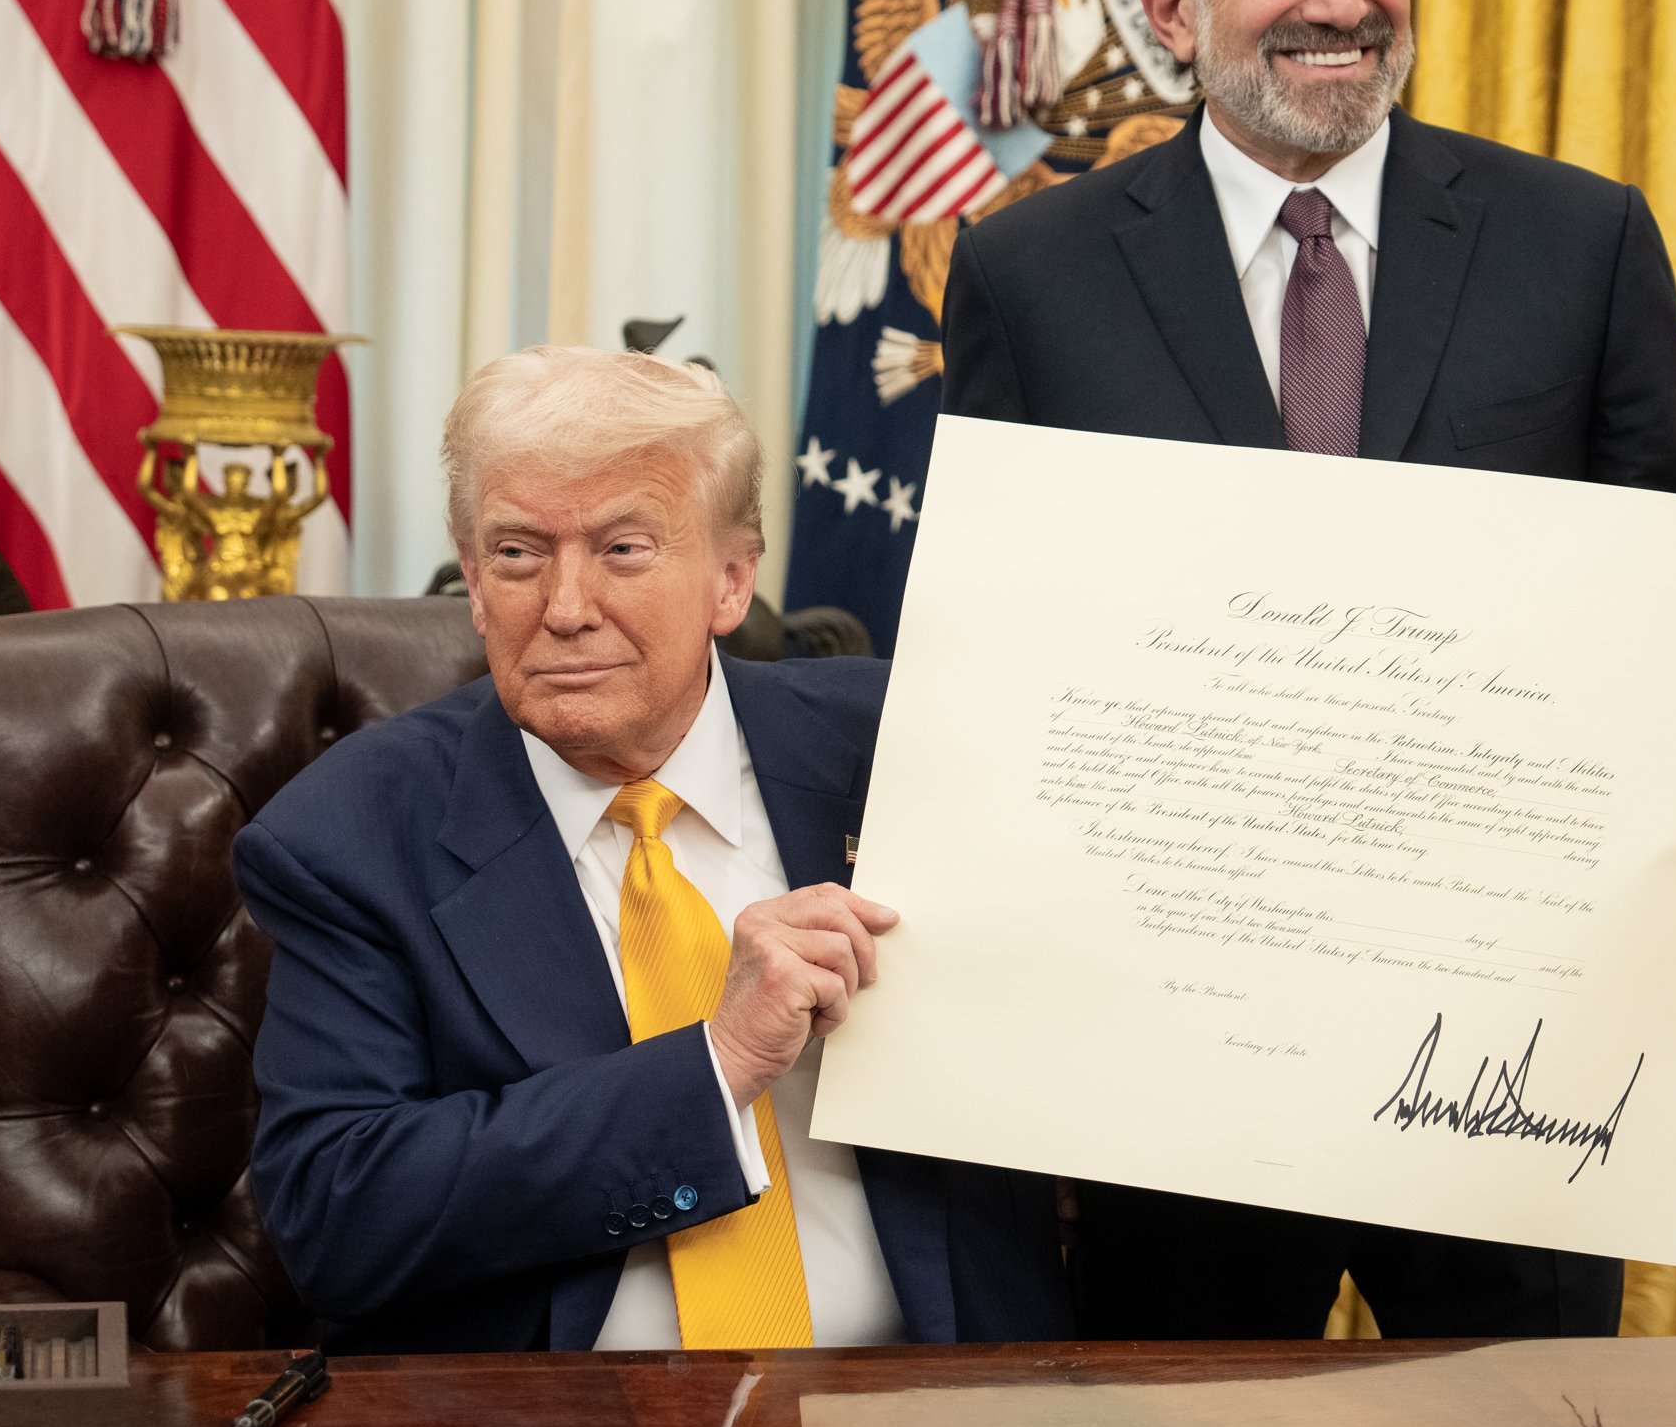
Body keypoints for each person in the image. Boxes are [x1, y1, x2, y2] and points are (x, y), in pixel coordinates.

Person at [940, 0, 1676, 1339]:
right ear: (1171, 6)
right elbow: (983, 662)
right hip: (1171, 1084)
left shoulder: (1581, 244)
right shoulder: (1030, 278)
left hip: (1507, 1070)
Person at [235, 347, 1071, 1353]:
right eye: (515, 552)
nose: (566, 605)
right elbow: (340, 1216)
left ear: (731, 579)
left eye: (624, 548)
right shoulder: (351, 834)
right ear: (470, 580)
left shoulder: (908, 749)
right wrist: (713, 1066)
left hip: (939, 1403)